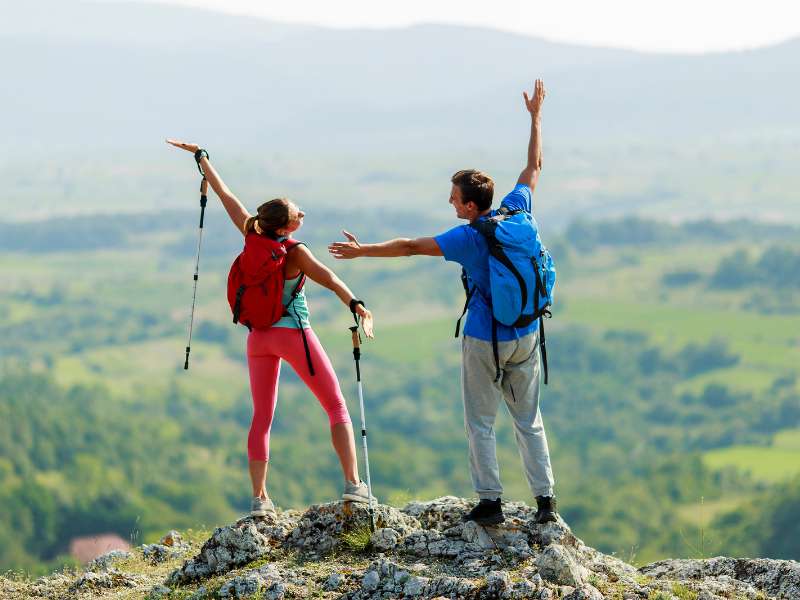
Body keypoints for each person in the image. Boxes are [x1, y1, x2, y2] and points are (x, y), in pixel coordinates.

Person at [328, 80, 557, 526]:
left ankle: (490, 502)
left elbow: (410, 247)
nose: (449, 202)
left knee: (481, 423)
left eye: (454, 197)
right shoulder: (518, 210)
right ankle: (546, 503)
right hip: (528, 332)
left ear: (471, 205)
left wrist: (362, 251)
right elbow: (534, 167)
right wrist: (535, 117)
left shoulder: (469, 237)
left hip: (484, 338)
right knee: (529, 421)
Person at [167, 139, 376, 517]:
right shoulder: (294, 252)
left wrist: (203, 161)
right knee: (336, 405)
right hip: (295, 334)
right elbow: (328, 278)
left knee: (261, 417)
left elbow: (226, 195)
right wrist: (356, 305)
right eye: (298, 214)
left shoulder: (252, 232)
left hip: (258, 339)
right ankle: (354, 486)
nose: (302, 214)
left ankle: (260, 499)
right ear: (286, 225)